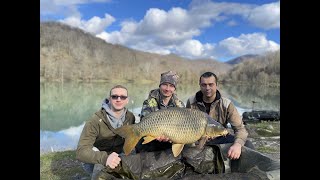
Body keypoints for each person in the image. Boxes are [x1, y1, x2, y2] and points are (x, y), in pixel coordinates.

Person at [186, 72, 254, 161]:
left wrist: (237, 145)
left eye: (211, 84)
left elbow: (240, 129)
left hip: (219, 138)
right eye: (204, 85)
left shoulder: (226, 104)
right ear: (200, 85)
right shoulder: (191, 102)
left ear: (216, 85)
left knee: (247, 144)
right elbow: (186, 125)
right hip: (197, 139)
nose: (207, 88)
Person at [76, 85, 135, 177]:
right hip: (98, 157)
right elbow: (81, 152)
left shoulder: (130, 117)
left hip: (118, 156)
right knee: (93, 151)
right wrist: (105, 158)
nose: (118, 99)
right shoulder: (95, 120)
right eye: (115, 96)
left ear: (127, 100)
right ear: (109, 99)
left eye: (123, 97)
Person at [137, 70, 185, 152]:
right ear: (160, 85)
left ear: (174, 88)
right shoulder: (149, 102)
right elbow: (144, 121)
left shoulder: (180, 105)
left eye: (171, 86)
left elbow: (183, 127)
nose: (167, 89)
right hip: (152, 142)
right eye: (165, 85)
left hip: (171, 141)